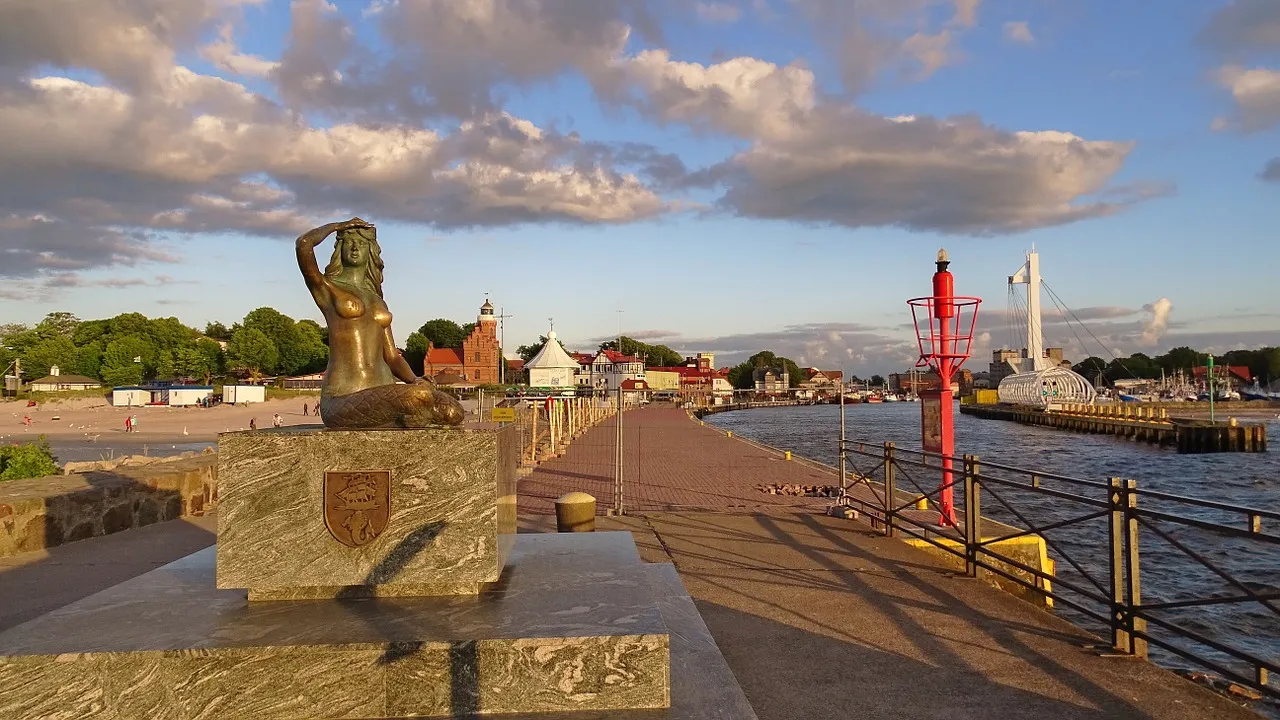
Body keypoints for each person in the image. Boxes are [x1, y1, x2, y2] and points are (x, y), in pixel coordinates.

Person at [296, 218, 463, 428]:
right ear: (339, 249)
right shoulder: (327, 288)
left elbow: (392, 357)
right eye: (349, 242)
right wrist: (338, 226)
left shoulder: (377, 299)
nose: (355, 247)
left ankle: (404, 418)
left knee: (453, 411)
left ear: (371, 251)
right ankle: (405, 420)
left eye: (362, 243)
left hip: (383, 389)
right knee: (418, 397)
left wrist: (414, 379)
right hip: (343, 398)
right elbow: (304, 245)